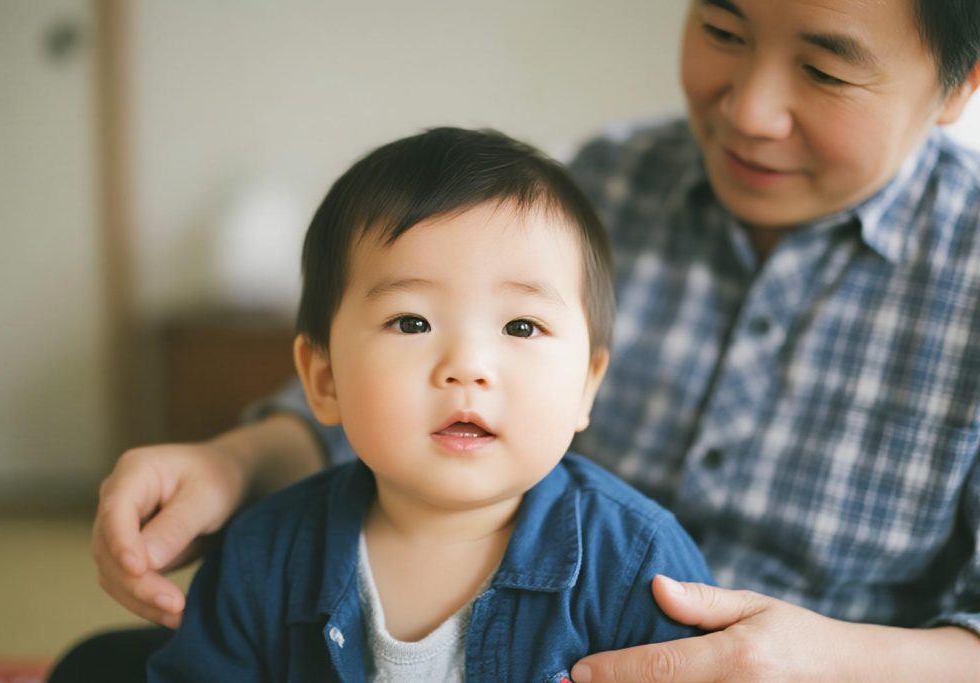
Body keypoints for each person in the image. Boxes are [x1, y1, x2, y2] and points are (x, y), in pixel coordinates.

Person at [82, 0, 980, 681]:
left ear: (958, 87)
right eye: (723, 30)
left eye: (825, 72)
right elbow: (375, 373)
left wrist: (836, 659)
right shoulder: (598, 187)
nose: (749, 109)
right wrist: (236, 464)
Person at [144, 127, 714, 681]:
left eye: (521, 325)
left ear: (587, 386)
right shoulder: (261, 558)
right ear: (324, 380)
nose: (467, 365)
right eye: (411, 322)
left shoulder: (638, 562)